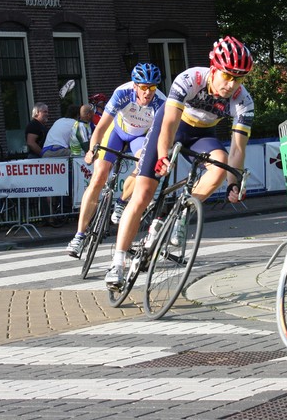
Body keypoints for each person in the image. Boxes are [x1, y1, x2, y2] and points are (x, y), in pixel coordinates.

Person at [105, 37, 255, 288]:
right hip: (173, 127)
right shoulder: (191, 78)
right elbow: (169, 122)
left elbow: (238, 148)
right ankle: (117, 263)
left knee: (220, 164)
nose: (232, 85)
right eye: (227, 76)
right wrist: (163, 155)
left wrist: (233, 183)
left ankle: (181, 214)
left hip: (202, 135)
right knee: (143, 194)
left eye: (239, 79)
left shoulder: (244, 101)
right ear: (214, 69)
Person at [65, 63, 166, 258]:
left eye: (152, 87)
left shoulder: (161, 102)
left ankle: (121, 202)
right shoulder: (122, 93)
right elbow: (101, 127)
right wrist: (92, 150)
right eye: (143, 87)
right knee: (99, 177)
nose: (148, 92)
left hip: (140, 136)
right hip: (117, 132)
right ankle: (79, 236)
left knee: (143, 166)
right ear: (135, 86)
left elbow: (162, 135)